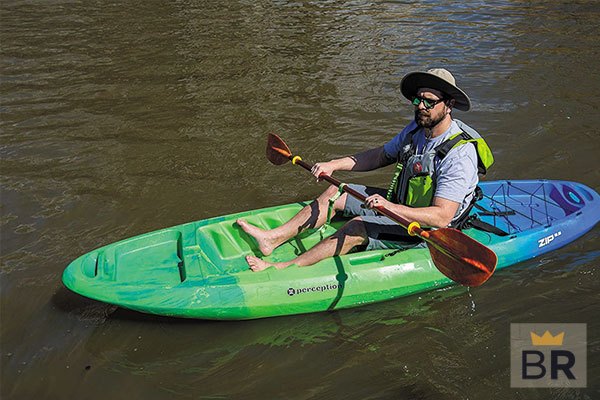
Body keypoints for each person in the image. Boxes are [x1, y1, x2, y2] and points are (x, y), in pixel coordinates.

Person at [237, 68, 493, 272]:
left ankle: (285, 267)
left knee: (357, 226)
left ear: (448, 105)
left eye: (429, 102)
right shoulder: (416, 129)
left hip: (430, 230)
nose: (420, 106)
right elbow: (380, 156)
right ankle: (272, 239)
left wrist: (387, 207)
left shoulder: (459, 154)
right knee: (335, 192)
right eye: (417, 99)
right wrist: (333, 165)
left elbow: (441, 217)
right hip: (402, 205)